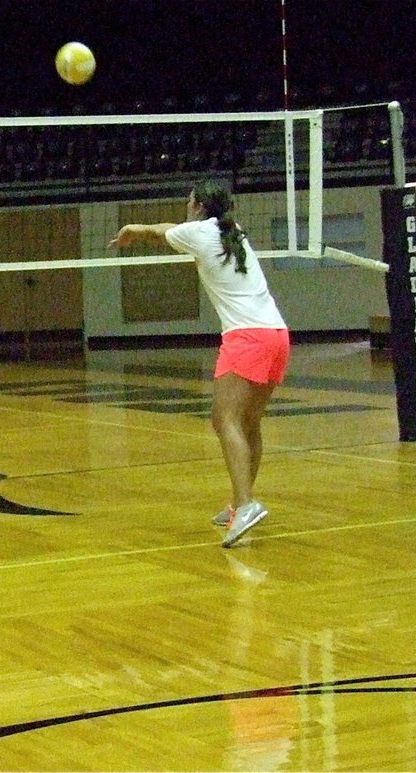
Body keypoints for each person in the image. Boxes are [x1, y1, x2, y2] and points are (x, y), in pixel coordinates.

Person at [109, 179, 289, 548]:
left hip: (247, 338)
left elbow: (163, 232)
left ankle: (245, 503)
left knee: (224, 421)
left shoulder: (200, 232)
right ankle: (241, 502)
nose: (186, 206)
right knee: (247, 422)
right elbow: (170, 231)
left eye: (189, 201)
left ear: (198, 207)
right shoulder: (231, 231)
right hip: (276, 334)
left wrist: (134, 230)